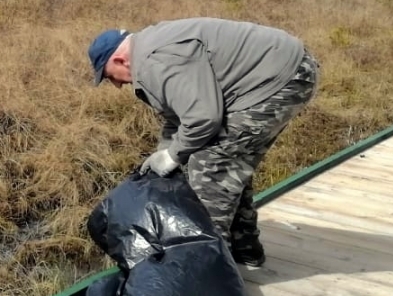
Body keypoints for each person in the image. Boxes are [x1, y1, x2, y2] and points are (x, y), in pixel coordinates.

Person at [87, 18, 319, 269]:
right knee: (228, 165)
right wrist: (162, 153)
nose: (119, 85)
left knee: (209, 172)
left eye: (112, 77)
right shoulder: (150, 50)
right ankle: (246, 250)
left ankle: (212, 283)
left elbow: (203, 118)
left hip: (280, 79)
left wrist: (174, 155)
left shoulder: (155, 62)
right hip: (284, 71)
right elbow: (179, 115)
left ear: (120, 60)